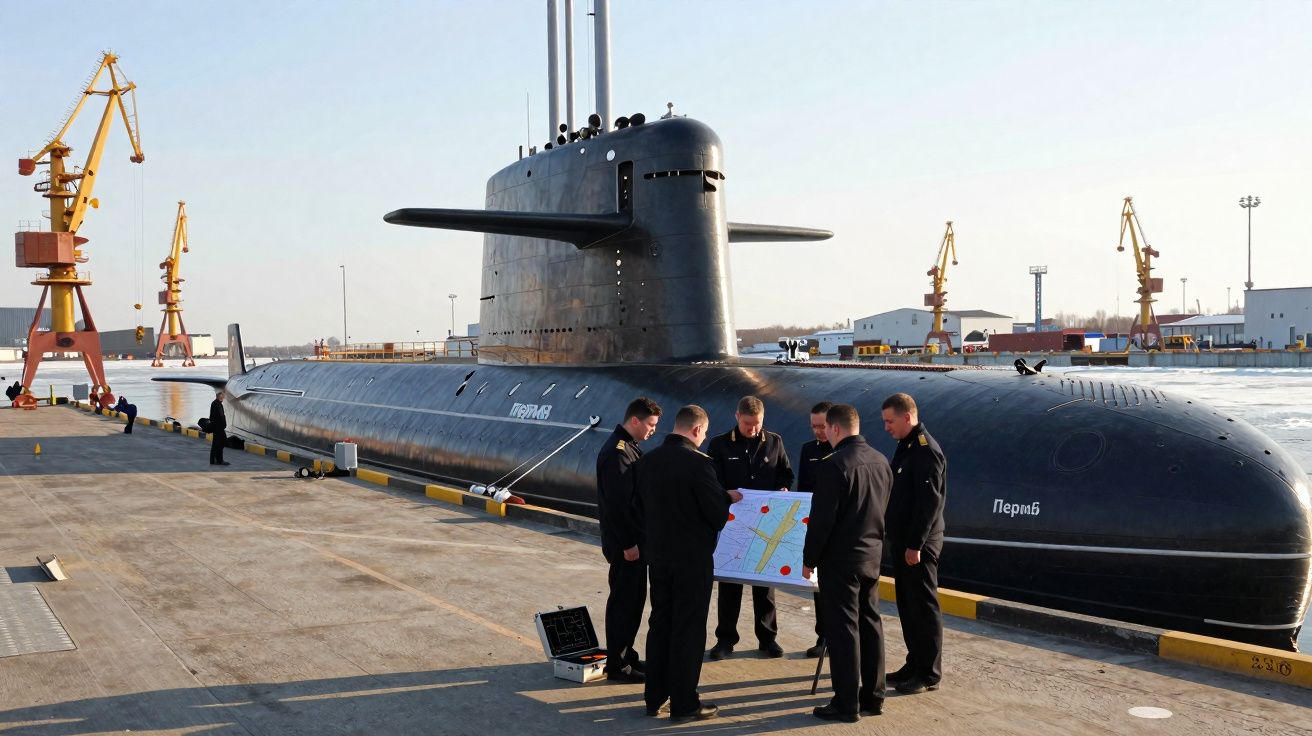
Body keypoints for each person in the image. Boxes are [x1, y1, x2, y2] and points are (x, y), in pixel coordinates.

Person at [638, 405, 741, 723]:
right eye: (705, 433)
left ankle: (654, 697)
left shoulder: (647, 460)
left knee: (660, 624)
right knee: (689, 629)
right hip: (691, 561)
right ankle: (684, 702)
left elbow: (637, 508)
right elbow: (716, 514)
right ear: (697, 430)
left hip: (658, 557)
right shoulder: (699, 464)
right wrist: (726, 498)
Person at [803, 404, 892, 722]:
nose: (823, 433)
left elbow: (821, 521)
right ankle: (874, 697)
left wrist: (808, 559)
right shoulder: (881, 461)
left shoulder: (833, 465)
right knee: (871, 625)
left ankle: (845, 703)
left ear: (835, 429)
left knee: (844, 631)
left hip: (841, 562)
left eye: (825, 428)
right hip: (871, 556)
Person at [706, 395, 794, 660]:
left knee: (764, 585)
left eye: (757, 424)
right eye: (747, 424)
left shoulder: (774, 442)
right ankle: (725, 640)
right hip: (733, 525)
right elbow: (710, 482)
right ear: (737, 417)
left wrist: (784, 488)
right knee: (730, 585)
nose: (753, 429)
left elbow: (786, 472)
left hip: (765, 524)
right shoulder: (720, 445)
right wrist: (725, 493)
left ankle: (767, 638)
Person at [882, 392, 947, 695]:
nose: (886, 427)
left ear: (907, 417)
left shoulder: (924, 451)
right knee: (907, 606)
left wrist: (915, 545)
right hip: (904, 541)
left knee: (923, 606)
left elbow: (929, 504)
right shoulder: (906, 447)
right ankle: (914, 662)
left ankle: (929, 673)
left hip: (917, 545)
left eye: (890, 421)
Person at [595, 397, 662, 683]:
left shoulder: (629, 448)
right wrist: (628, 544)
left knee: (634, 601)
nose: (653, 430)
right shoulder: (618, 453)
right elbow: (618, 505)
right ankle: (617, 663)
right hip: (627, 545)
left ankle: (627, 655)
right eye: (650, 424)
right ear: (635, 420)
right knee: (624, 602)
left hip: (634, 541)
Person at [796, 400, 834, 658]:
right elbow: (802, 489)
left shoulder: (842, 452)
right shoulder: (808, 450)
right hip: (816, 526)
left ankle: (837, 638)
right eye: (814, 427)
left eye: (822, 426)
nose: (818, 432)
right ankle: (823, 636)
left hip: (837, 530)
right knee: (819, 590)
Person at [209, 391, 230, 466]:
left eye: (223, 396)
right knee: (221, 442)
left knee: (217, 443)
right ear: (218, 396)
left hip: (218, 427)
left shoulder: (217, 403)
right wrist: (222, 425)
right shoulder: (216, 404)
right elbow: (220, 416)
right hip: (218, 428)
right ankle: (219, 460)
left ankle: (216, 460)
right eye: (221, 396)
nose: (223, 397)